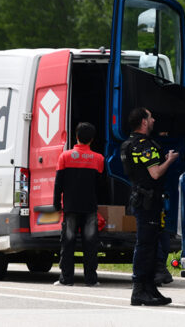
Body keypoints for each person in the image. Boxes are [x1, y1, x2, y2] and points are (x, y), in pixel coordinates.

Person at [121, 107, 179, 306]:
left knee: (150, 244)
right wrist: (169, 161)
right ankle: (139, 289)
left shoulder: (129, 144)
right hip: (148, 202)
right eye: (150, 117)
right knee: (145, 245)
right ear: (144, 122)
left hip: (142, 198)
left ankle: (149, 287)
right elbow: (155, 173)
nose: (153, 119)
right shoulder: (145, 146)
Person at [53, 122, 104, 286]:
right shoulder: (98, 159)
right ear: (92, 140)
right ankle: (91, 280)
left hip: (70, 207)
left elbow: (58, 183)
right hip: (89, 208)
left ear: (76, 137)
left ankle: (66, 279)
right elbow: (100, 186)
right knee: (90, 244)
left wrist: (56, 203)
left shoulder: (65, 157)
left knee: (68, 243)